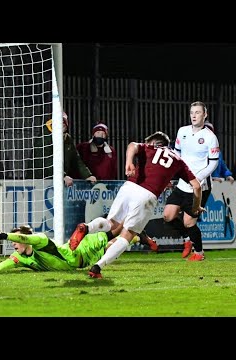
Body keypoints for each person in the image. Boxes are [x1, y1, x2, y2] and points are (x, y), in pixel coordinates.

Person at [70, 131, 204, 278]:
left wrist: (129, 162)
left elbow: (132, 145)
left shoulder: (149, 148)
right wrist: (195, 207)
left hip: (129, 187)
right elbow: (197, 186)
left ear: (154, 143)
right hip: (147, 195)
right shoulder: (178, 160)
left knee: (111, 223)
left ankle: (87, 227)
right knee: (127, 235)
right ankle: (97, 267)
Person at [163, 102, 219, 261]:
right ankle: (187, 239)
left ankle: (199, 253)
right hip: (182, 183)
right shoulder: (182, 132)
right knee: (168, 216)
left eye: (198, 113)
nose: (194, 116)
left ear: (205, 115)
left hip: (200, 186)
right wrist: (168, 176)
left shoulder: (210, 137)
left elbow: (213, 162)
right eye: (192, 113)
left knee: (188, 222)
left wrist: (198, 178)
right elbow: (176, 155)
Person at [0, 224, 120, 273]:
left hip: (78, 252)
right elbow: (1, 266)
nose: (13, 244)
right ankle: (133, 236)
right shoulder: (22, 258)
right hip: (81, 263)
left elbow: (24, 238)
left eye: (16, 240)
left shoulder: (40, 240)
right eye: (13, 241)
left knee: (112, 233)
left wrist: (4, 235)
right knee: (109, 248)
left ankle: (131, 226)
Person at [32, 111, 96, 186]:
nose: (61, 125)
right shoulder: (43, 138)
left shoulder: (67, 139)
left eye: (64, 123)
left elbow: (76, 160)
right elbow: (46, 162)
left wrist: (87, 175)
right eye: (59, 122)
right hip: (38, 183)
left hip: (57, 182)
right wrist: (62, 176)